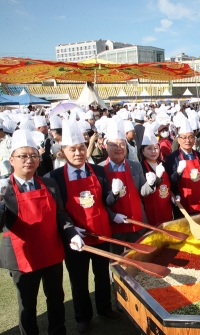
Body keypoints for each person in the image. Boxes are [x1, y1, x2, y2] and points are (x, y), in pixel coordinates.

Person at [0, 130, 84, 335]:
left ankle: (58, 331)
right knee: (27, 304)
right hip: (23, 256)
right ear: (12, 159)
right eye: (23, 156)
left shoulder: (49, 183)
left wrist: (71, 233)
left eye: (33, 156)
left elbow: (60, 215)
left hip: (51, 251)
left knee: (56, 297)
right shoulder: (4, 188)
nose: (29, 160)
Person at [45, 120, 121, 334]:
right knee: (78, 279)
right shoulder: (55, 177)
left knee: (102, 274)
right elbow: (57, 211)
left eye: (81, 148)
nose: (78, 153)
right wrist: (69, 231)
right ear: (63, 152)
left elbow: (106, 201)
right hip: (75, 238)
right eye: (72, 149)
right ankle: (82, 316)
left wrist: (114, 194)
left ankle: (104, 308)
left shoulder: (97, 170)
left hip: (100, 231)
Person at [100, 119, 157, 254]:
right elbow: (99, 202)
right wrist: (112, 216)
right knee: (117, 261)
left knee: (139, 257)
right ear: (105, 146)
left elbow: (142, 192)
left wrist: (151, 184)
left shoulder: (135, 165)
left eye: (122, 144)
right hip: (114, 225)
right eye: (113, 145)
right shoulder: (100, 169)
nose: (119, 148)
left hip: (137, 221)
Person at [165, 118, 200, 216]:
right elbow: (171, 182)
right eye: (184, 138)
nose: (187, 141)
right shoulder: (172, 158)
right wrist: (178, 172)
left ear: (194, 139)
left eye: (190, 137)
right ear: (178, 140)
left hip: (199, 198)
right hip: (182, 200)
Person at [140, 124, 173, 225]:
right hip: (150, 209)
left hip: (166, 205)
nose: (154, 151)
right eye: (149, 149)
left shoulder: (163, 164)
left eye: (156, 148)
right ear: (142, 151)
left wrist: (173, 195)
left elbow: (170, 184)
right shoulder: (140, 167)